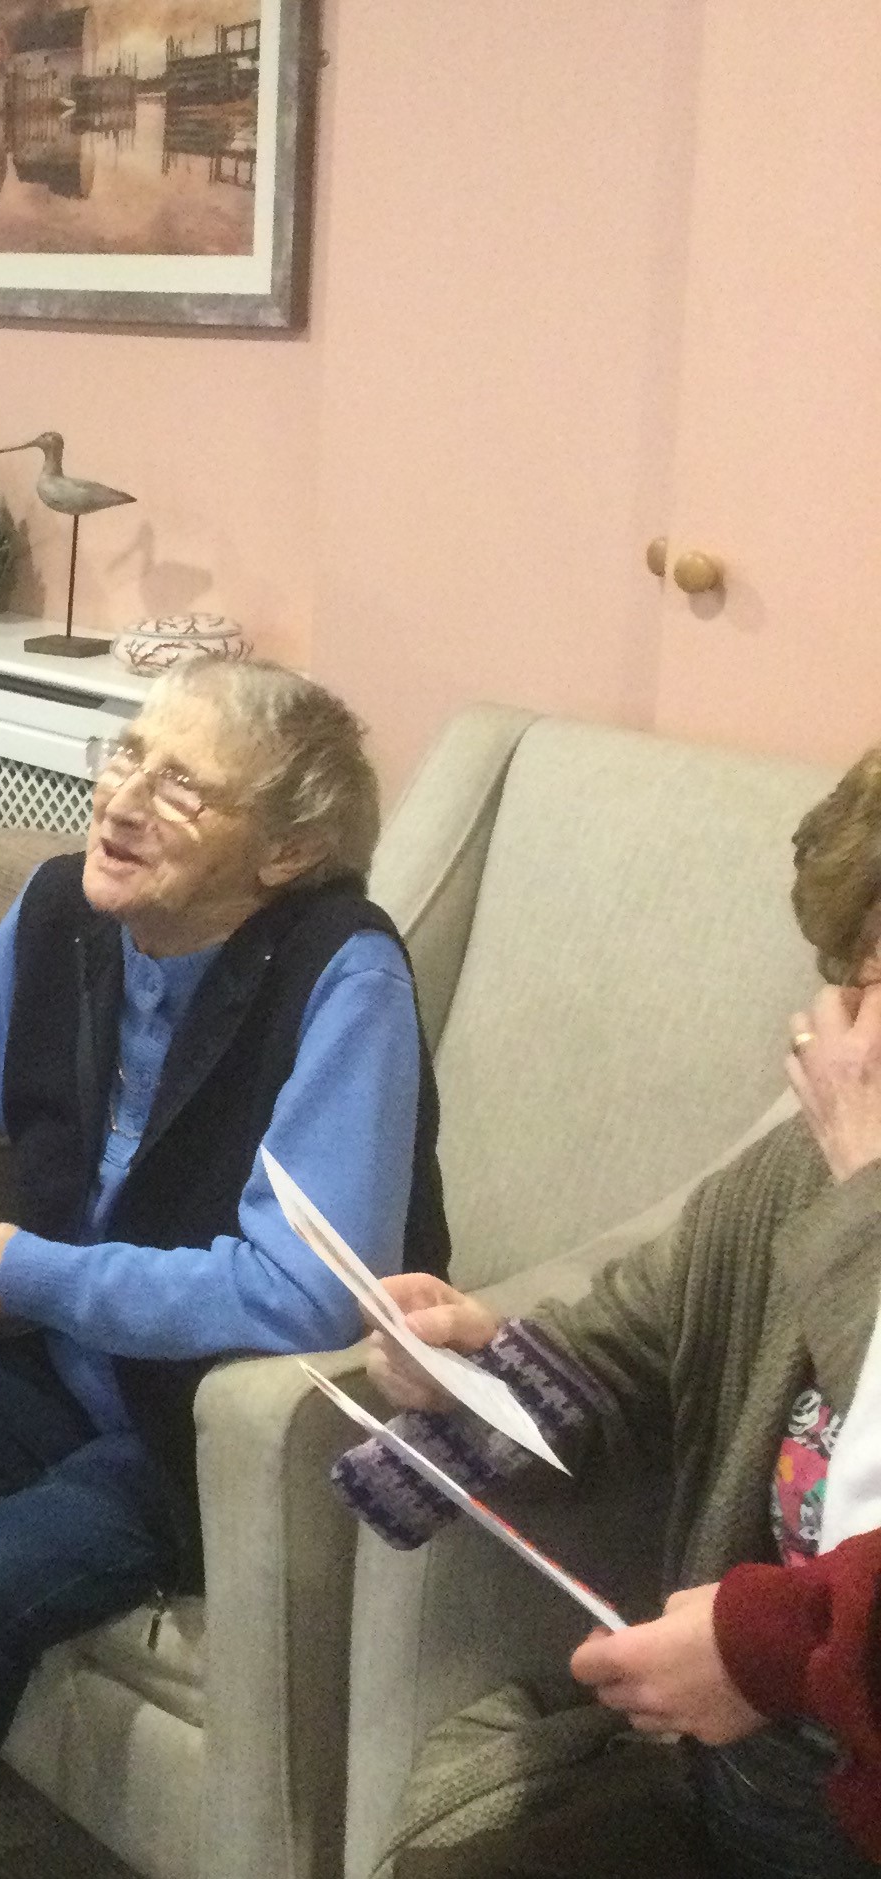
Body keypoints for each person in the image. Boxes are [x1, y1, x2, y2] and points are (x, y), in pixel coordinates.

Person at [0, 656, 447, 1879]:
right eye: (126, 757)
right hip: (71, 1365)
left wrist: (15, 1272)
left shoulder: (346, 975)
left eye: (182, 787)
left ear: (283, 851)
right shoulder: (66, 910)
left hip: (209, 1421)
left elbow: (306, 1292)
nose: (122, 800)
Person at [330, 746, 881, 1878]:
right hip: (741, 1777)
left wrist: (870, 1202)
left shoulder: (853, 1182)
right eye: (865, 970)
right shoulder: (802, 1174)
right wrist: (471, 1363)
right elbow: (634, 1341)